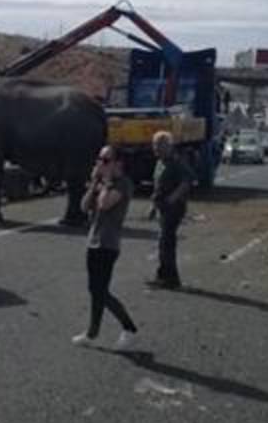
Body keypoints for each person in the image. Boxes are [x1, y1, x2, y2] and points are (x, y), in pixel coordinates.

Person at [72, 145, 137, 351]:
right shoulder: (102, 183)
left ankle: (129, 328)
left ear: (118, 163)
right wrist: (93, 184)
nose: (100, 163)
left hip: (108, 244)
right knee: (95, 291)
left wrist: (106, 182)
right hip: (93, 241)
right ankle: (92, 333)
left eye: (106, 160)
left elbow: (105, 204)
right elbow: (83, 207)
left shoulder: (123, 184)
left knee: (100, 291)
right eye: (99, 159)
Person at [148, 131, 193, 289]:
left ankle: (171, 278)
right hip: (162, 206)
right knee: (163, 242)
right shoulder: (160, 162)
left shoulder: (176, 162)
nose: (157, 148)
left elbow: (187, 181)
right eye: (155, 145)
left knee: (166, 242)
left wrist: (171, 199)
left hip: (173, 209)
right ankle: (163, 275)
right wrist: (154, 207)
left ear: (169, 146)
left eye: (160, 145)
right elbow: (157, 186)